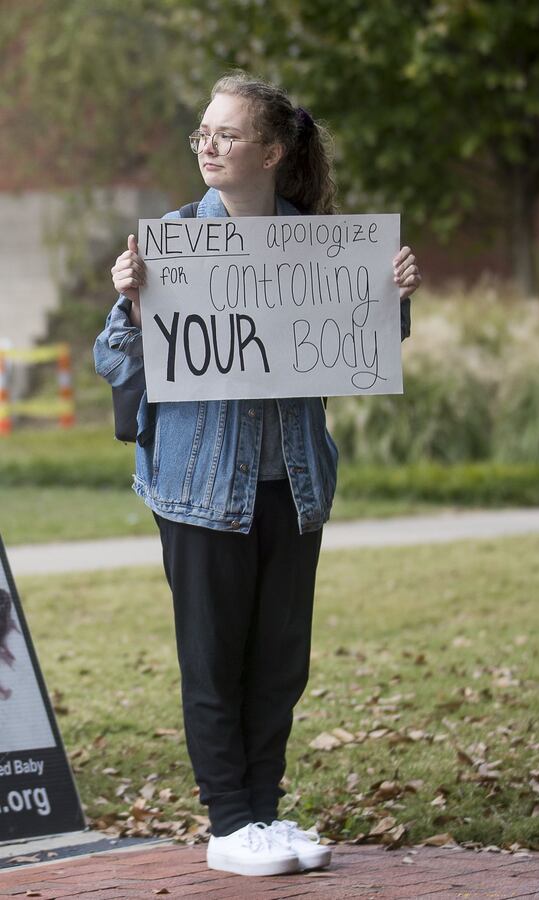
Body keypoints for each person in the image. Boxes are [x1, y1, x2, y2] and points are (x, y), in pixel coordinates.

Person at [94, 71, 421, 878]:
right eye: (203, 132)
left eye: (227, 134)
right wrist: (135, 307)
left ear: (272, 152)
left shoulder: (321, 244)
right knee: (214, 660)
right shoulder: (169, 240)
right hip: (201, 489)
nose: (207, 145)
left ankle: (266, 815)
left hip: (296, 485)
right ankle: (229, 822)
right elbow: (112, 356)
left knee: (280, 660)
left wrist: (394, 297)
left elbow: (362, 342)